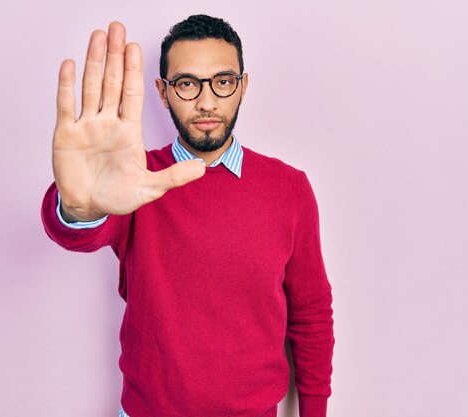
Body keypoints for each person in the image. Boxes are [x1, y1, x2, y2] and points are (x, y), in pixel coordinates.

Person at [40, 14, 334, 417]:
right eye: (187, 83)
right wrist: (77, 207)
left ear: (243, 87)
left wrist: (314, 412)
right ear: (163, 92)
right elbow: (81, 230)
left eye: (223, 81)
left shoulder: (290, 188)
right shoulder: (135, 180)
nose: (207, 101)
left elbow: (312, 314)